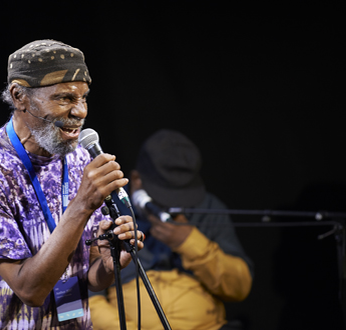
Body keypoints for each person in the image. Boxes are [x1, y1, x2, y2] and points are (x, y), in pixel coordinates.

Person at [0, 39, 144, 330]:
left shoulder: (79, 157)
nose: (80, 111)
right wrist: (82, 204)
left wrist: (107, 263)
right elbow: (30, 291)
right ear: (19, 96)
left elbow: (86, 276)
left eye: (84, 98)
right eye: (64, 98)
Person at [89, 129, 254, 330]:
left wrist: (189, 242)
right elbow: (88, 296)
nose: (172, 208)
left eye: (181, 200)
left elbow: (239, 289)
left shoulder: (207, 207)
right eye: (164, 199)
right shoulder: (107, 214)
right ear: (137, 180)